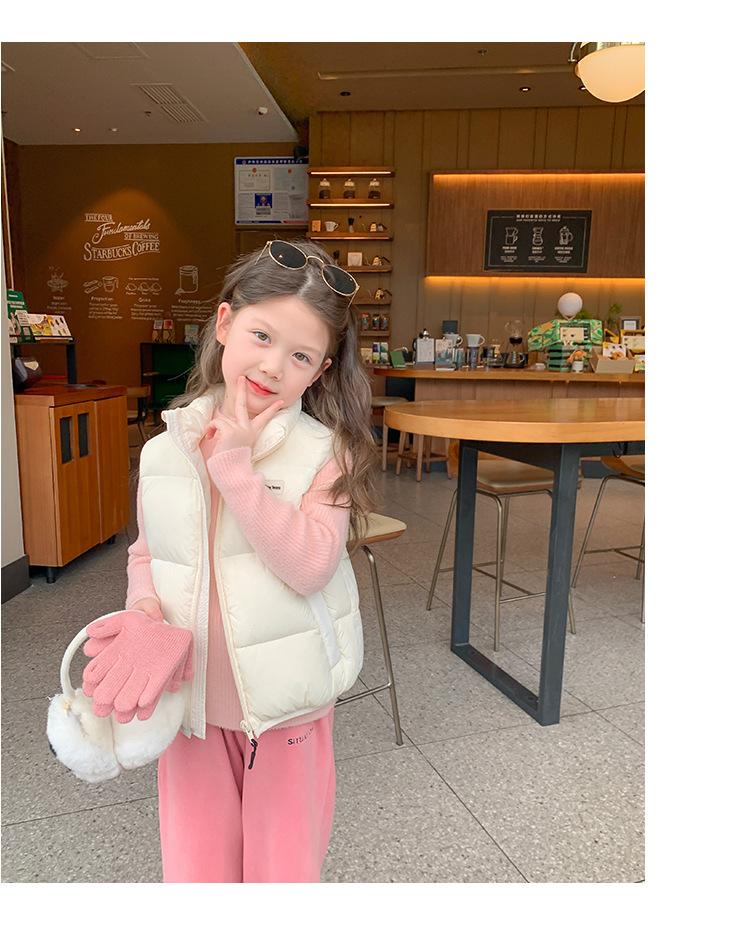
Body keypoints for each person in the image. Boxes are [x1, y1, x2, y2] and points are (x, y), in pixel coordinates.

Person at [117, 239, 375, 882]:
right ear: (226, 323)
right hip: (191, 705)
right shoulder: (165, 449)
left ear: (319, 372)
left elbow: (311, 563)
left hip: (287, 708)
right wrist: (144, 609)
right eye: (262, 336)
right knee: (196, 869)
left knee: (281, 871)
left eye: (300, 356)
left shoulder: (325, 453)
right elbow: (148, 551)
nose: (272, 365)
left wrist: (235, 470)